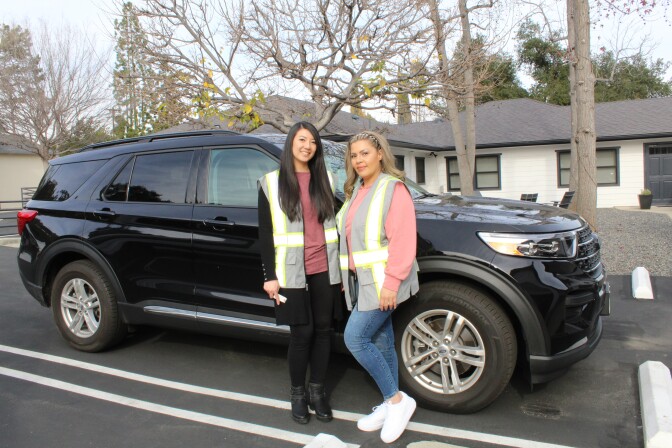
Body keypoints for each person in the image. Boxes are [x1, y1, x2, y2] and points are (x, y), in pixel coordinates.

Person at [337, 130, 419, 444]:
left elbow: (403, 240)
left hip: (385, 283)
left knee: (355, 338)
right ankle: (390, 404)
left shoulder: (392, 188)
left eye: (364, 154)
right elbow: (352, 240)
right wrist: (348, 278)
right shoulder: (357, 188)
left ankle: (398, 402)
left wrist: (391, 284)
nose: (358, 160)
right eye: (354, 155)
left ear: (380, 154)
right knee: (381, 340)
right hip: (364, 283)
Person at [258, 121, 343, 424]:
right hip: (290, 272)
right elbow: (266, 234)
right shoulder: (271, 182)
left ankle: (317, 392)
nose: (307, 146)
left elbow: (338, 226)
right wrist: (269, 275)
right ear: (291, 142)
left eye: (313, 142)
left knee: (323, 332)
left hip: (325, 268)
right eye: (301, 139)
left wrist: (343, 273)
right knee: (301, 333)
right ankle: (298, 394)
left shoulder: (327, 180)